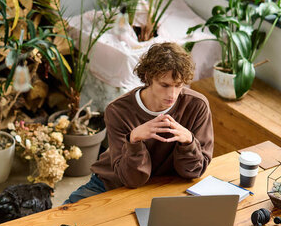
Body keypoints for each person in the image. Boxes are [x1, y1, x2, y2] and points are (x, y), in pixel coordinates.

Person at [64, 42, 214, 204]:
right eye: (164, 85)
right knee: (62, 222)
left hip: (165, 186)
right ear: (149, 78)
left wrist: (188, 141)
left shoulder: (196, 106)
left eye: (178, 86)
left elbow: (194, 172)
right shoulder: (118, 110)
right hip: (112, 183)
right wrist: (133, 140)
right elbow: (131, 179)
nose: (172, 94)